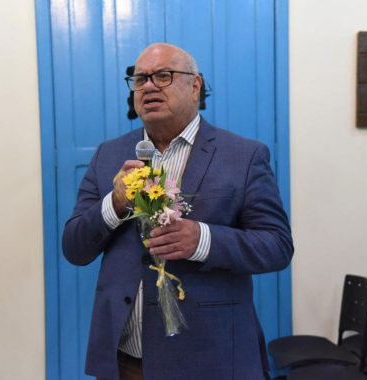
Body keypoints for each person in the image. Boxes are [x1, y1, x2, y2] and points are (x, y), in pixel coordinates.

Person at [62, 42, 294, 380]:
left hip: (212, 359)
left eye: (164, 75)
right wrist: (114, 203)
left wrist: (203, 240)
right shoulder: (107, 156)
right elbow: (74, 248)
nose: (150, 86)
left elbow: (277, 247)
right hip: (127, 361)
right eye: (140, 79)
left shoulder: (244, 156)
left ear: (195, 85)